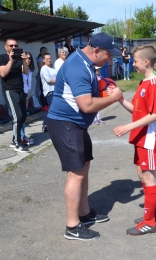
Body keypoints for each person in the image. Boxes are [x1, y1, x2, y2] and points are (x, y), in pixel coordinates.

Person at [46, 32, 122, 241]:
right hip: (66, 124)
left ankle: (85, 213)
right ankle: (72, 226)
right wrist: (112, 98)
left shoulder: (85, 62)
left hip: (76, 125)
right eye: (108, 55)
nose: (110, 59)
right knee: (76, 173)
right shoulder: (78, 66)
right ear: (96, 50)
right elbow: (86, 105)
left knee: (84, 167)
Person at [113, 45, 156, 236]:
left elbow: (154, 115)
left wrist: (127, 127)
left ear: (145, 62)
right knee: (141, 174)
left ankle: (149, 222)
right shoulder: (143, 84)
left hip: (149, 139)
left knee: (149, 177)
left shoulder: (154, 84)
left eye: (135, 61)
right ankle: (155, 212)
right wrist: (119, 99)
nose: (132, 64)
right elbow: (136, 110)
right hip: (141, 138)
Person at [0, 38, 29, 152]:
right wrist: (11, 60)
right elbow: (3, 73)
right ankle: (17, 143)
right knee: (17, 116)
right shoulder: (2, 58)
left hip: (20, 89)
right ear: (6, 47)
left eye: (16, 46)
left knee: (23, 116)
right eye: (11, 46)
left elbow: (26, 72)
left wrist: (24, 61)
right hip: (9, 90)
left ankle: (14, 139)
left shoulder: (19, 59)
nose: (13, 48)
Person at [21, 52, 35, 145]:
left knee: (24, 117)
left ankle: (23, 135)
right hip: (20, 94)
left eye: (29, 58)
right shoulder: (21, 69)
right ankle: (21, 137)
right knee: (20, 117)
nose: (28, 60)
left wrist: (28, 97)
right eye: (26, 58)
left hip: (26, 94)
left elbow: (29, 85)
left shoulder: (30, 71)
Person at [40, 53, 57, 132]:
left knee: (54, 109)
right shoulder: (44, 68)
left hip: (56, 90)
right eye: (47, 59)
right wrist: (59, 82)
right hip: (49, 91)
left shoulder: (53, 68)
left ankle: (50, 124)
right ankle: (45, 124)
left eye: (50, 58)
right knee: (51, 109)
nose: (49, 60)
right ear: (43, 60)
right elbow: (48, 80)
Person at [36, 46, 48, 111]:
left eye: (45, 51)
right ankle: (44, 105)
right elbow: (40, 69)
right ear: (40, 52)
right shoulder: (40, 58)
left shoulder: (47, 58)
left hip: (46, 76)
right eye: (43, 51)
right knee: (42, 91)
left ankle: (47, 104)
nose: (44, 52)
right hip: (42, 76)